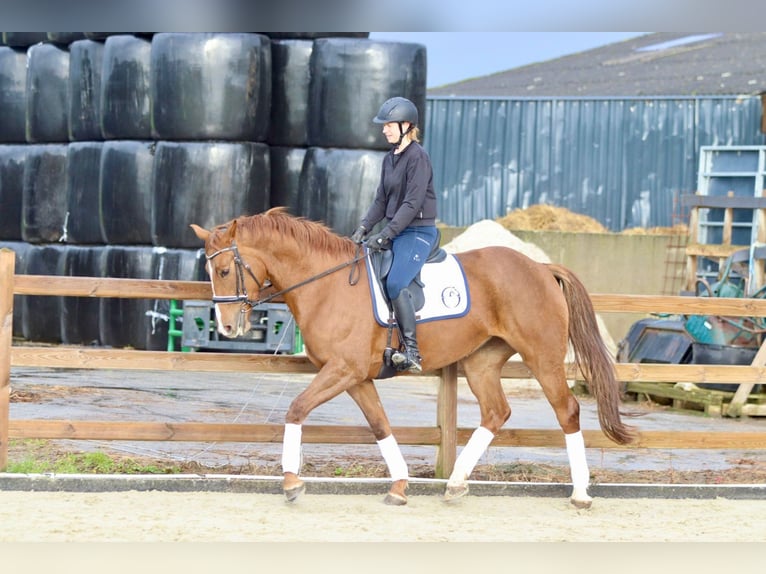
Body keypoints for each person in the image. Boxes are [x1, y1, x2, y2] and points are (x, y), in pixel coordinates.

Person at [351, 96, 438, 373]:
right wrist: (364, 227)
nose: (384, 130)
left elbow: (412, 205)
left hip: (418, 231)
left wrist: (386, 234)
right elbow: (381, 200)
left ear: (406, 125)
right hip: (397, 229)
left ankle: (412, 351)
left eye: (389, 125)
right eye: (384, 125)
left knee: (396, 282)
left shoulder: (418, 158)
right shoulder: (389, 159)